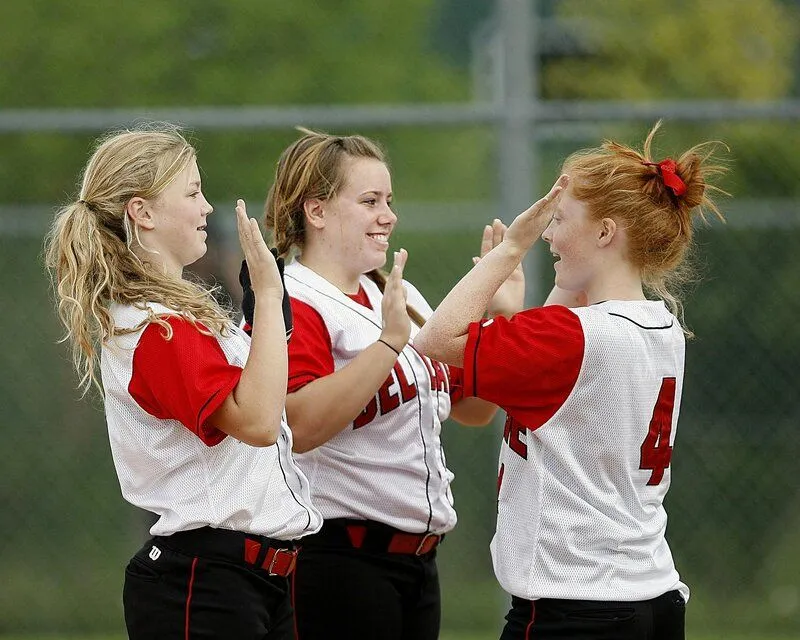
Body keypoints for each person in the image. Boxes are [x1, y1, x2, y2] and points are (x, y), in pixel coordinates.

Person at [414, 122, 726, 640]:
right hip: (651, 596)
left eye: (558, 221)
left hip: (576, 608)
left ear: (605, 232)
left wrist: (510, 248)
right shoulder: (661, 325)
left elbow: (436, 340)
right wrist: (521, 308)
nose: (548, 235)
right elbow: (561, 370)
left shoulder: (572, 338)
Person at [44, 124, 322, 639]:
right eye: (192, 192)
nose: (206, 208)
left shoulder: (178, 317)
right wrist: (264, 295)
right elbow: (259, 423)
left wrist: (266, 321)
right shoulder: (157, 328)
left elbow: (263, 407)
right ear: (142, 212)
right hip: (206, 581)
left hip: (251, 579)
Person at [243, 129, 517, 640]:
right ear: (316, 211)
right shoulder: (293, 300)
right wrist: (388, 345)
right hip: (337, 561)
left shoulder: (399, 294)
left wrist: (500, 319)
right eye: (369, 201)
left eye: (388, 201)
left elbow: (474, 409)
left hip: (417, 564)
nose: (387, 216)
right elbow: (296, 424)